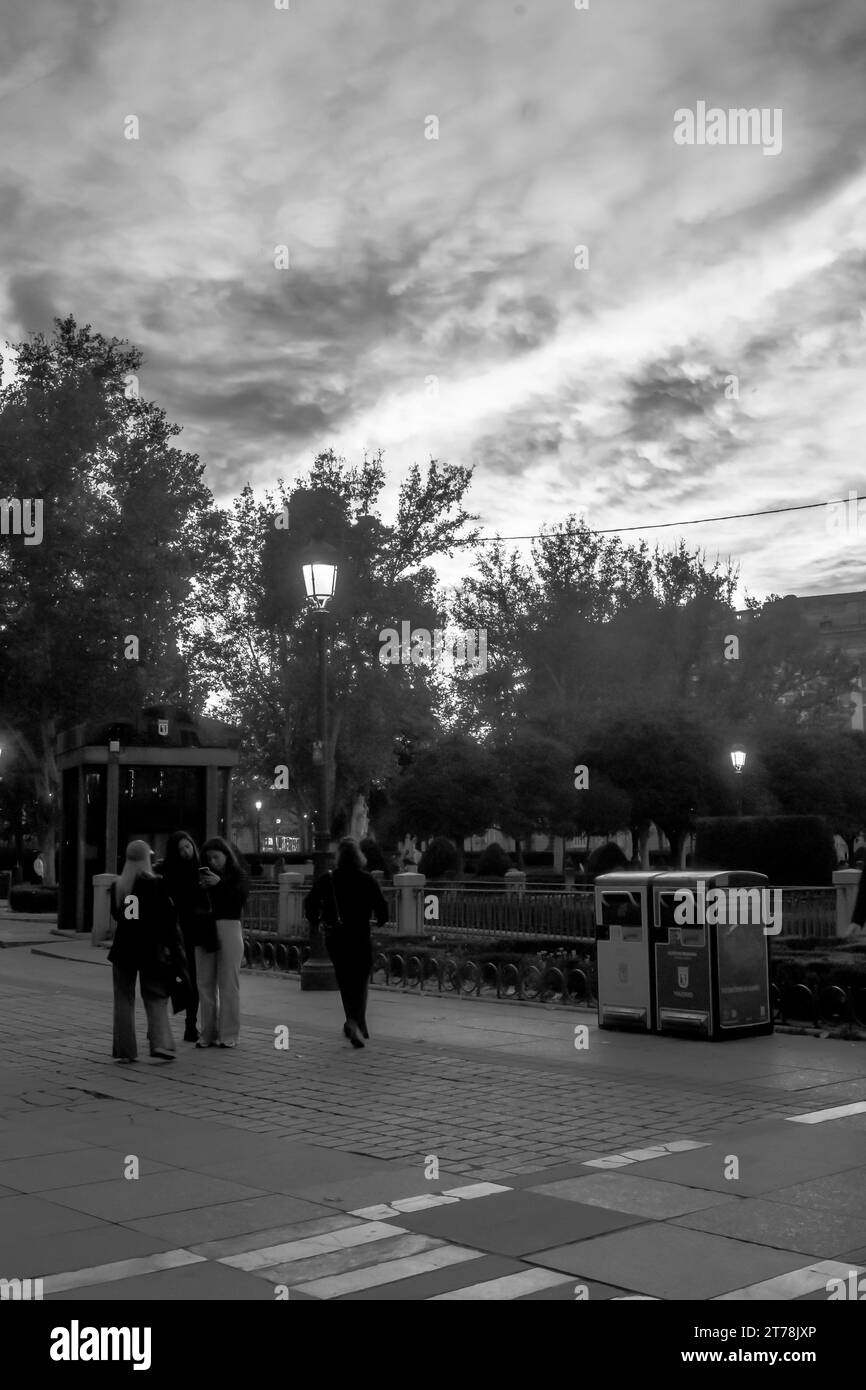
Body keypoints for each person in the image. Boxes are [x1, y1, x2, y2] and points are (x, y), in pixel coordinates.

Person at [108, 840, 189, 1063]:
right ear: (147, 859)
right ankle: (161, 1043)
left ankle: (125, 1050)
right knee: (155, 996)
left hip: (124, 948)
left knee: (123, 998)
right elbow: (167, 918)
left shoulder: (118, 885)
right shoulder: (156, 884)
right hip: (151, 949)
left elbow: (117, 915)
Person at [304, 837, 389, 1049]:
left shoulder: (328, 879)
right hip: (360, 935)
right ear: (359, 856)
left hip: (336, 938)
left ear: (339, 857)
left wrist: (316, 920)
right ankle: (356, 1021)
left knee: (345, 980)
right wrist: (379, 920)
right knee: (360, 980)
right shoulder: (367, 879)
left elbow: (310, 903)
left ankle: (355, 1022)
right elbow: (382, 909)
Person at [196, 837, 249, 1048]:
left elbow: (238, 900)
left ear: (226, 855)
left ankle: (229, 1034)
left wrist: (220, 884)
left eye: (216, 857)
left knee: (228, 983)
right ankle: (207, 1032)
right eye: (209, 858)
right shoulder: (202, 877)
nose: (213, 861)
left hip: (229, 926)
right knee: (205, 982)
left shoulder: (237, 876)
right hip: (205, 928)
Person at [156, 831, 208, 1042]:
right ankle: (158, 1025)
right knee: (169, 978)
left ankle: (190, 1025)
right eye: (181, 849)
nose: (186, 852)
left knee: (192, 979)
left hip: (193, 931)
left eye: (188, 846)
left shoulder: (201, 870)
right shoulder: (166, 872)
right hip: (172, 930)